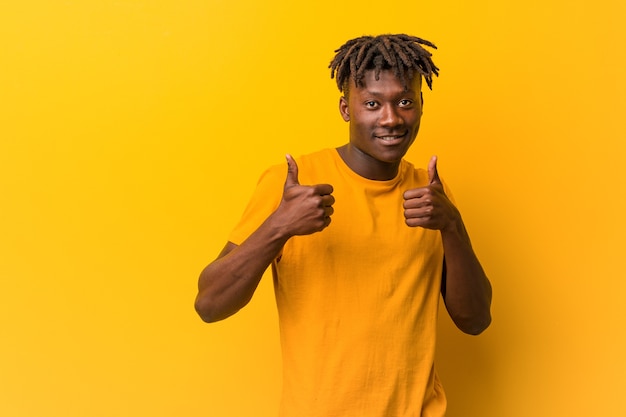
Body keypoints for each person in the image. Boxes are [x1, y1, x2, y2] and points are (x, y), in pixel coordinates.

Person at [195, 33, 492, 417]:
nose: (391, 118)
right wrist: (279, 227)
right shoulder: (294, 184)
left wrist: (452, 224)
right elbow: (209, 304)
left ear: (420, 105)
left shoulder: (430, 191)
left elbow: (476, 320)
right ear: (346, 109)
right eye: (372, 103)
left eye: (405, 102)